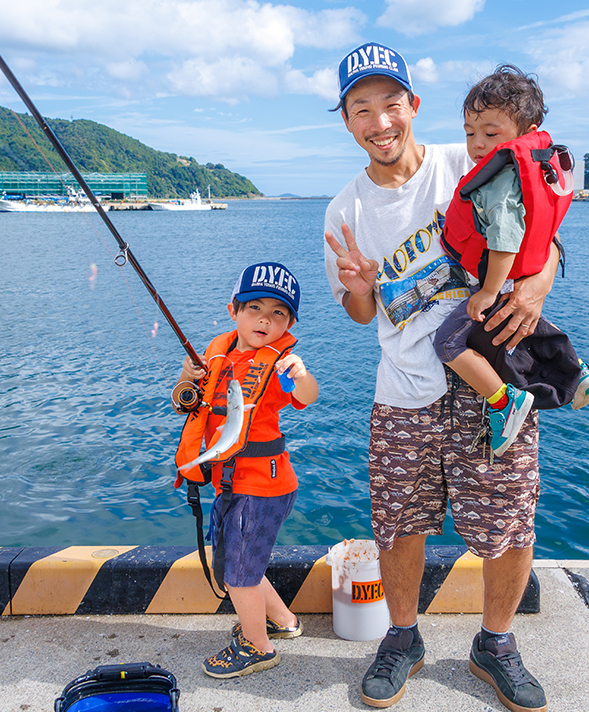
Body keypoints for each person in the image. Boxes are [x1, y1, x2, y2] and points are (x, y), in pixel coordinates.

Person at [324, 42, 556, 712]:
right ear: (347, 121)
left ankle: (496, 643)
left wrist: (536, 290)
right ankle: (402, 639)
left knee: (510, 522)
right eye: (361, 109)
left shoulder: (474, 158)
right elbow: (359, 313)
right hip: (403, 392)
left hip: (494, 382)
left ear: (414, 105)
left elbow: (545, 236)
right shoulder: (343, 210)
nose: (380, 122)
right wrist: (360, 289)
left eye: (390, 103)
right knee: (399, 524)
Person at [435, 64, 589, 458]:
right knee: (524, 326)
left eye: (490, 134)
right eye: (470, 133)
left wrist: (488, 291)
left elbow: (505, 239)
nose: (477, 144)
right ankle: (577, 371)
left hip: (501, 280)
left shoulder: (499, 182)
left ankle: (503, 402)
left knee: (448, 342)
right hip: (519, 278)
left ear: (527, 133)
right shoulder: (532, 171)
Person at [172, 261, 318, 678]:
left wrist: (301, 374)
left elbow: (308, 395)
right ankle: (283, 621)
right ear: (233, 310)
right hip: (231, 482)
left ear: (289, 323)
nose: (265, 320)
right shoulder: (216, 354)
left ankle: (258, 647)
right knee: (242, 563)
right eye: (255, 308)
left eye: (278, 313)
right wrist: (186, 377)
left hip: (263, 486)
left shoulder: (281, 365)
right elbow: (183, 402)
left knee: (239, 574)